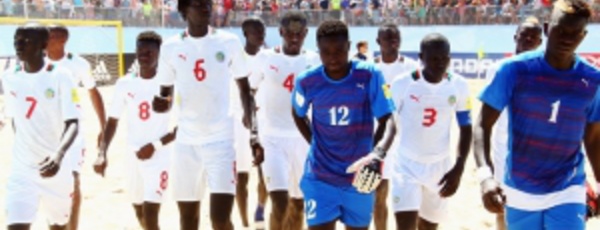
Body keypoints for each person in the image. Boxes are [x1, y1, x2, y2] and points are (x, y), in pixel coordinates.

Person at [474, 0, 600, 229]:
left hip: (568, 189)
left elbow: (592, 137)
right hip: (520, 189)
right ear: (546, 28)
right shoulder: (513, 70)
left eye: (575, 33)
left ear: (584, 35)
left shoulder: (592, 80)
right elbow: (482, 125)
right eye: (560, 30)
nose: (567, 39)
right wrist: (485, 177)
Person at [150, 0, 262, 229]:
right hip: (186, 143)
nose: (205, 8)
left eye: (208, 4)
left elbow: (245, 91)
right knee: (188, 220)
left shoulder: (228, 42)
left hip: (221, 141)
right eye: (198, 4)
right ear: (183, 11)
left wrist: (253, 133)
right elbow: (165, 95)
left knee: (220, 220)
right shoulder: (171, 48)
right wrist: (162, 104)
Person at [291, 20, 396, 230]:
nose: (332, 57)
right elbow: (297, 112)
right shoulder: (306, 81)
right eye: (325, 51)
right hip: (320, 177)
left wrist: (376, 155)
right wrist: (314, 142)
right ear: (317, 51)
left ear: (349, 46)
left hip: (359, 178)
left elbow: (389, 121)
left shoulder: (370, 75)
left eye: (338, 50)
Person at [93, 31, 177, 230]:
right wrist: (102, 153)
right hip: (132, 155)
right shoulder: (124, 83)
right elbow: (112, 122)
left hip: (159, 156)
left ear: (160, 54)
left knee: (150, 213)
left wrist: (155, 145)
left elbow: (182, 126)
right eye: (140, 51)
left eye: (149, 51)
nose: (144, 55)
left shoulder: (171, 84)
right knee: (139, 210)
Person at [389, 33, 472, 230]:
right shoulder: (402, 84)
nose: (440, 63)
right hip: (406, 165)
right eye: (434, 58)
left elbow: (466, 127)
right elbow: (389, 123)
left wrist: (459, 168)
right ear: (421, 57)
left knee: (428, 226)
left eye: (444, 58)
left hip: (440, 168)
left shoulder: (459, 85)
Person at [2, 23, 80, 230]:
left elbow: (73, 122)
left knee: (58, 226)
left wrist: (59, 155)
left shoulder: (60, 76)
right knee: (16, 225)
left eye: (26, 40)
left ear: (43, 44)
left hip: (57, 170)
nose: (18, 45)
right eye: (16, 40)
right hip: (23, 170)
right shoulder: (9, 77)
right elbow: (15, 120)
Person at [250, 11, 320, 230]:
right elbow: (249, 94)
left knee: (298, 205)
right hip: (273, 140)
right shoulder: (265, 58)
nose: (294, 37)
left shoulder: (314, 61)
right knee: (280, 203)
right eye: (289, 32)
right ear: (281, 32)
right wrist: (254, 133)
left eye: (299, 33)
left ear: (306, 33)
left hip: (303, 141)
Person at [45, 24, 107, 230]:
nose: (46, 40)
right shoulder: (37, 60)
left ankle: (73, 227)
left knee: (73, 181)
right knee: (49, 182)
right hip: (44, 132)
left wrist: (103, 126)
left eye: (51, 36)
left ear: (62, 40)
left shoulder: (78, 64)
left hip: (72, 132)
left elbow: (93, 92)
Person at [484, 16, 543, 230]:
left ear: (540, 42)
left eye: (533, 36)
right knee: (503, 208)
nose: (528, 39)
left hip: (537, 152)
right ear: (515, 37)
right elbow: (485, 120)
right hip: (504, 151)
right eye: (524, 35)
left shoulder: (547, 71)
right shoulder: (498, 69)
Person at [373, 22, 420, 230]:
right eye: (388, 39)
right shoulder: (371, 68)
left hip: (406, 140)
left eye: (396, 39)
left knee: (408, 199)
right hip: (380, 138)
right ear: (378, 42)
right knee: (379, 194)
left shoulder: (411, 68)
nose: (393, 43)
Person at [235, 16, 268, 230]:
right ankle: (245, 222)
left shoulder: (268, 58)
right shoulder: (235, 58)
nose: (261, 35)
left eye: (263, 30)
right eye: (256, 31)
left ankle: (260, 209)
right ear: (245, 34)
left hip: (264, 121)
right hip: (239, 123)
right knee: (241, 175)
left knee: (265, 172)